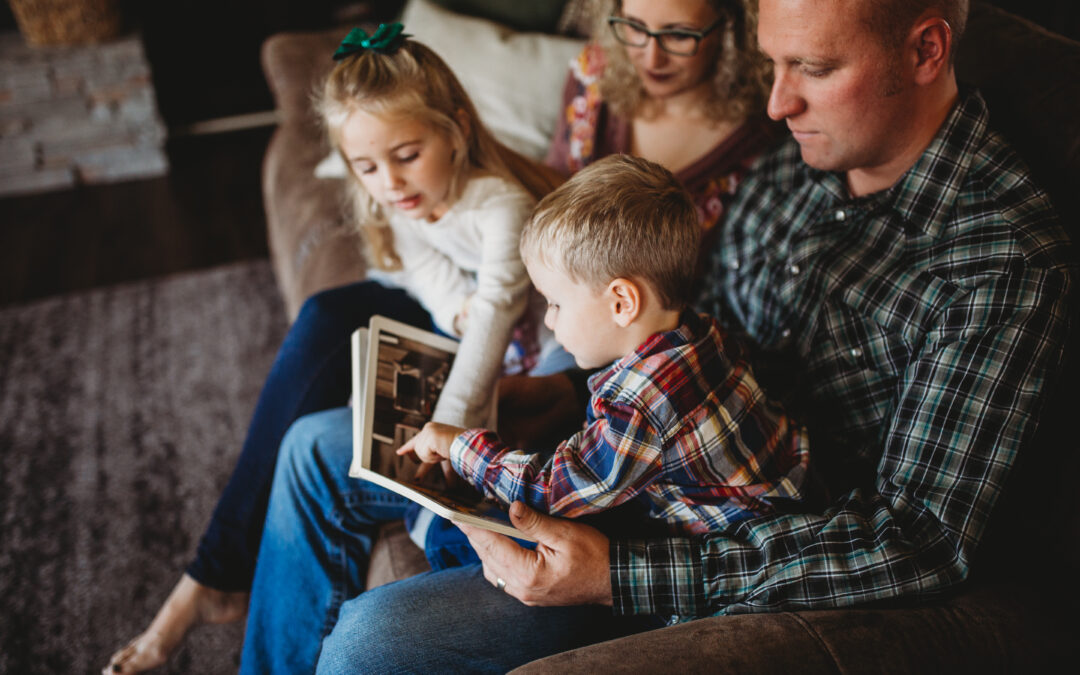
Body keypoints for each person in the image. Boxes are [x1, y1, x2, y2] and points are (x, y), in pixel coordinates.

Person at [242, 0, 1074, 672]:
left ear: (926, 49)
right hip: (653, 458)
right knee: (321, 447)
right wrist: (561, 394)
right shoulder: (795, 165)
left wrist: (617, 574)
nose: (777, 102)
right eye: (773, 64)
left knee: (374, 641)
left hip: (713, 549)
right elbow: (677, 335)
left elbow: (918, 545)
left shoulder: (996, 264)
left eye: (813, 70)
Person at [106, 1, 778, 671]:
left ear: (730, 31)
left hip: (652, 525)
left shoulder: (755, 153)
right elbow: (521, 252)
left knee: (397, 594)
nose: (649, 51)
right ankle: (224, 585)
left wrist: (463, 445)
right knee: (320, 381)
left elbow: (557, 477)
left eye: (679, 34)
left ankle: (433, 527)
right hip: (588, 321)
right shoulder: (597, 88)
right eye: (633, 26)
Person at [103, 25, 561, 674]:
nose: (390, 182)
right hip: (489, 356)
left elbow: (491, 318)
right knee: (359, 410)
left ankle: (446, 538)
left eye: (406, 154)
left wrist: (448, 424)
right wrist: (451, 312)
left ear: (458, 128)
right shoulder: (408, 201)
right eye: (366, 167)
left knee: (442, 476)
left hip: (537, 362)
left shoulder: (502, 206)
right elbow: (428, 279)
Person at [400, 154, 812, 539]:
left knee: (448, 540)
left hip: (728, 543)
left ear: (622, 303)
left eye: (556, 303)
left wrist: (459, 446)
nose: (548, 319)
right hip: (787, 489)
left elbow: (551, 489)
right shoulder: (702, 333)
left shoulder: (642, 405)